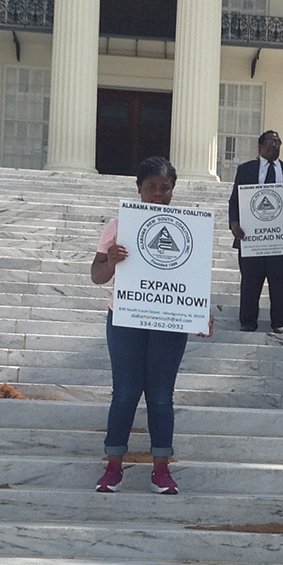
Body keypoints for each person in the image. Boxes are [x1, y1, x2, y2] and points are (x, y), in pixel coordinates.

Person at [92, 157, 212, 494]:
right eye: (151, 188)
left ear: (173, 191)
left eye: (165, 188)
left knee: (161, 396)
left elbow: (194, 278)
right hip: (125, 318)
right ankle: (113, 466)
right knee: (126, 392)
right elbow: (97, 275)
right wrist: (112, 262)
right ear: (139, 189)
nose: (158, 194)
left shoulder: (189, 228)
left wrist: (200, 311)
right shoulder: (119, 226)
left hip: (169, 320)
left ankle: (161, 469)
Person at [227, 130, 283, 333]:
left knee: (280, 283)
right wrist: (234, 223)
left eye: (278, 142)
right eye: (271, 141)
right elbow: (235, 200)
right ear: (260, 146)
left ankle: (280, 322)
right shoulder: (246, 170)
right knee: (250, 282)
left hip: (280, 238)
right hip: (251, 237)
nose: (275, 145)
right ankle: (248, 321)